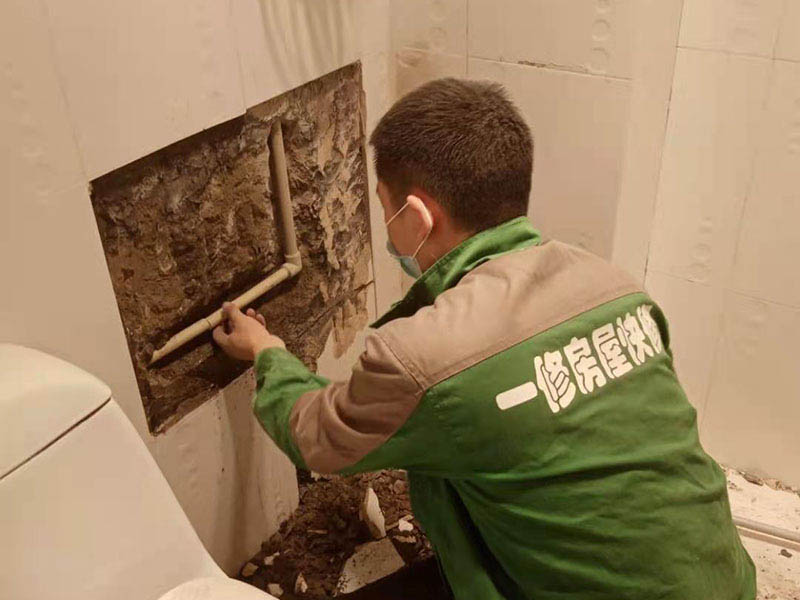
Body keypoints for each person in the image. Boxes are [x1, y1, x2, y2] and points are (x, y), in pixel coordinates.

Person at [213, 78, 755, 600]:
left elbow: (318, 437)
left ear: (418, 216)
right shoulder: (616, 288)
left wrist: (267, 352)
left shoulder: (426, 356)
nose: (386, 227)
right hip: (726, 582)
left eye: (384, 206)